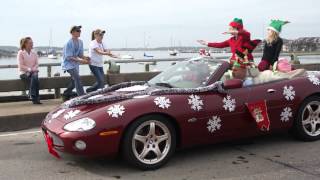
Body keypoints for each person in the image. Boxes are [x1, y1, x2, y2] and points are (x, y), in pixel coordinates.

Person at [61, 25, 90, 101]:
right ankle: (82, 97)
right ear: (73, 32)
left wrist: (85, 58)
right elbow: (68, 57)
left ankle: (66, 94)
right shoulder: (68, 43)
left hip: (75, 64)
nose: (79, 32)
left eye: (80, 31)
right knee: (77, 78)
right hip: (68, 65)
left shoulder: (80, 42)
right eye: (78, 31)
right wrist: (81, 61)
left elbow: (80, 54)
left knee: (74, 81)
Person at [86, 29, 118, 93]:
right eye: (100, 35)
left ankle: (91, 90)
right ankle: (96, 92)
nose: (102, 36)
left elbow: (107, 51)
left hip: (100, 65)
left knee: (102, 81)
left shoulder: (102, 43)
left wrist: (113, 55)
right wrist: (108, 53)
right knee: (100, 81)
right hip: (93, 65)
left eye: (102, 35)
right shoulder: (93, 43)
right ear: (96, 35)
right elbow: (99, 52)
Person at [17, 37, 41, 104]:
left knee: (35, 77)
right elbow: (20, 66)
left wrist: (33, 70)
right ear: (25, 44)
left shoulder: (34, 53)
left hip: (33, 73)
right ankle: (36, 98)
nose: (32, 44)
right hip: (23, 73)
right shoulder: (21, 53)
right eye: (30, 43)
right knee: (36, 79)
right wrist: (30, 70)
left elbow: (36, 64)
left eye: (32, 43)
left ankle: (32, 96)